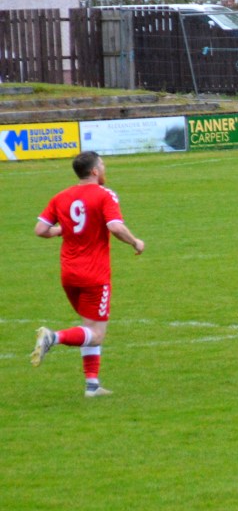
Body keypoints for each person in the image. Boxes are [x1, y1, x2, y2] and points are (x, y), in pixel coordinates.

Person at [31, 151, 145, 398]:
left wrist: (61, 230)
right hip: (94, 275)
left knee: (88, 328)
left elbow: (40, 229)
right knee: (96, 334)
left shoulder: (61, 196)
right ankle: (53, 337)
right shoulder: (105, 194)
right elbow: (115, 227)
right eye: (102, 165)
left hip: (69, 274)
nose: (104, 168)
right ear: (94, 171)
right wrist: (135, 241)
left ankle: (92, 385)